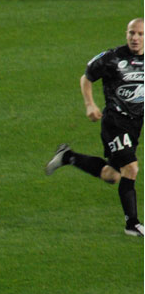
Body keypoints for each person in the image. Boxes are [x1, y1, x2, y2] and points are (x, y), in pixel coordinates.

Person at [46, 18, 144, 237]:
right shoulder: (112, 58)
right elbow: (86, 77)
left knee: (112, 176)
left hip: (135, 125)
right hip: (115, 122)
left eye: (139, 34)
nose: (135, 38)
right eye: (131, 33)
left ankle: (68, 156)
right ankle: (132, 224)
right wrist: (90, 104)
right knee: (132, 168)